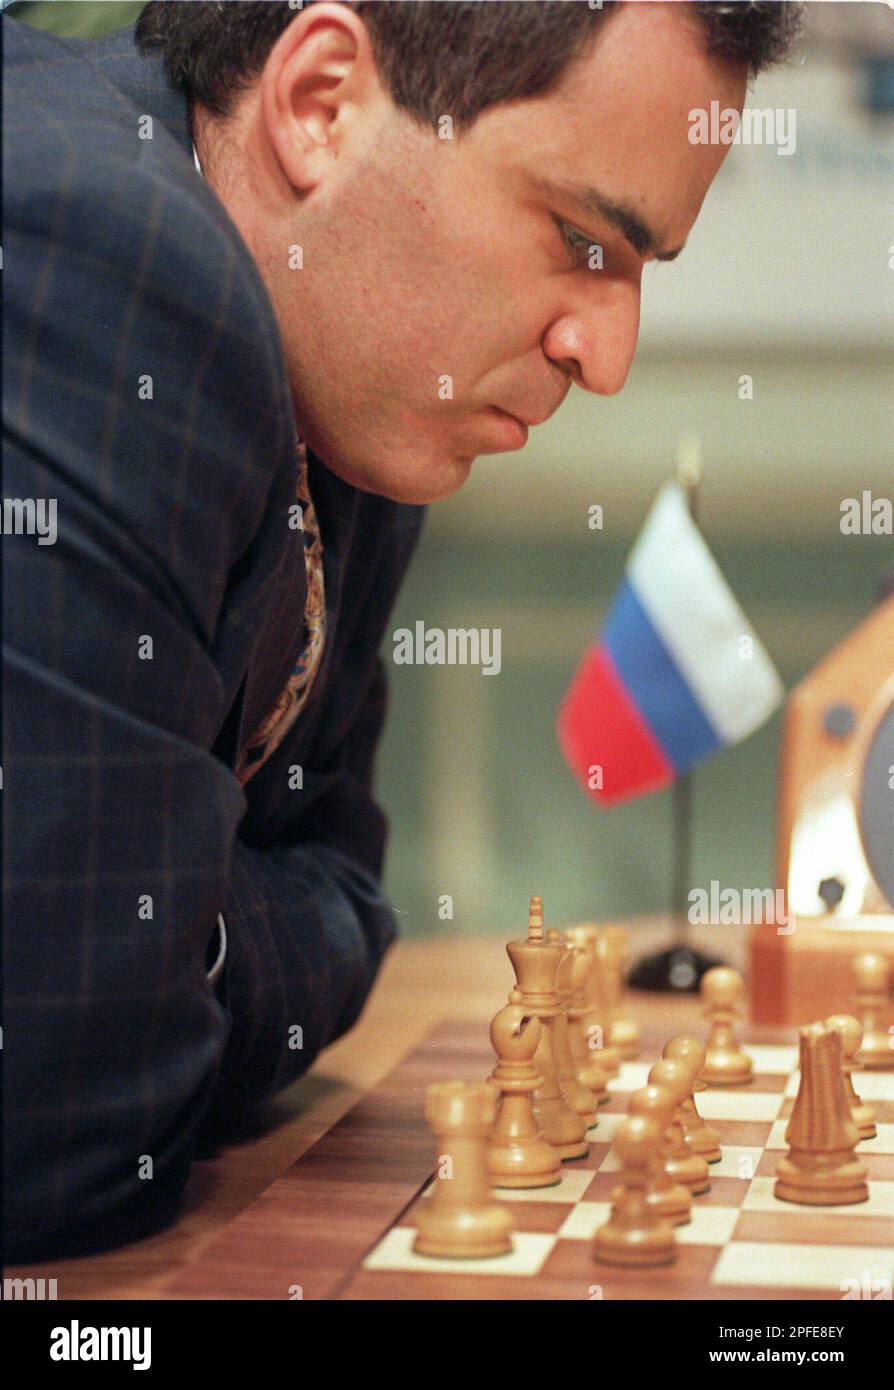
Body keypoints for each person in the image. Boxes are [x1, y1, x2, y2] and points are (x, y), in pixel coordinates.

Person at [2, 0, 801, 1260]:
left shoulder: (351, 389)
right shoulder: (113, 256)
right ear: (323, 104)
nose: (607, 356)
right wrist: (163, 957)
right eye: (584, 238)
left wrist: (170, 944)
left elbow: (347, 889)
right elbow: (56, 1110)